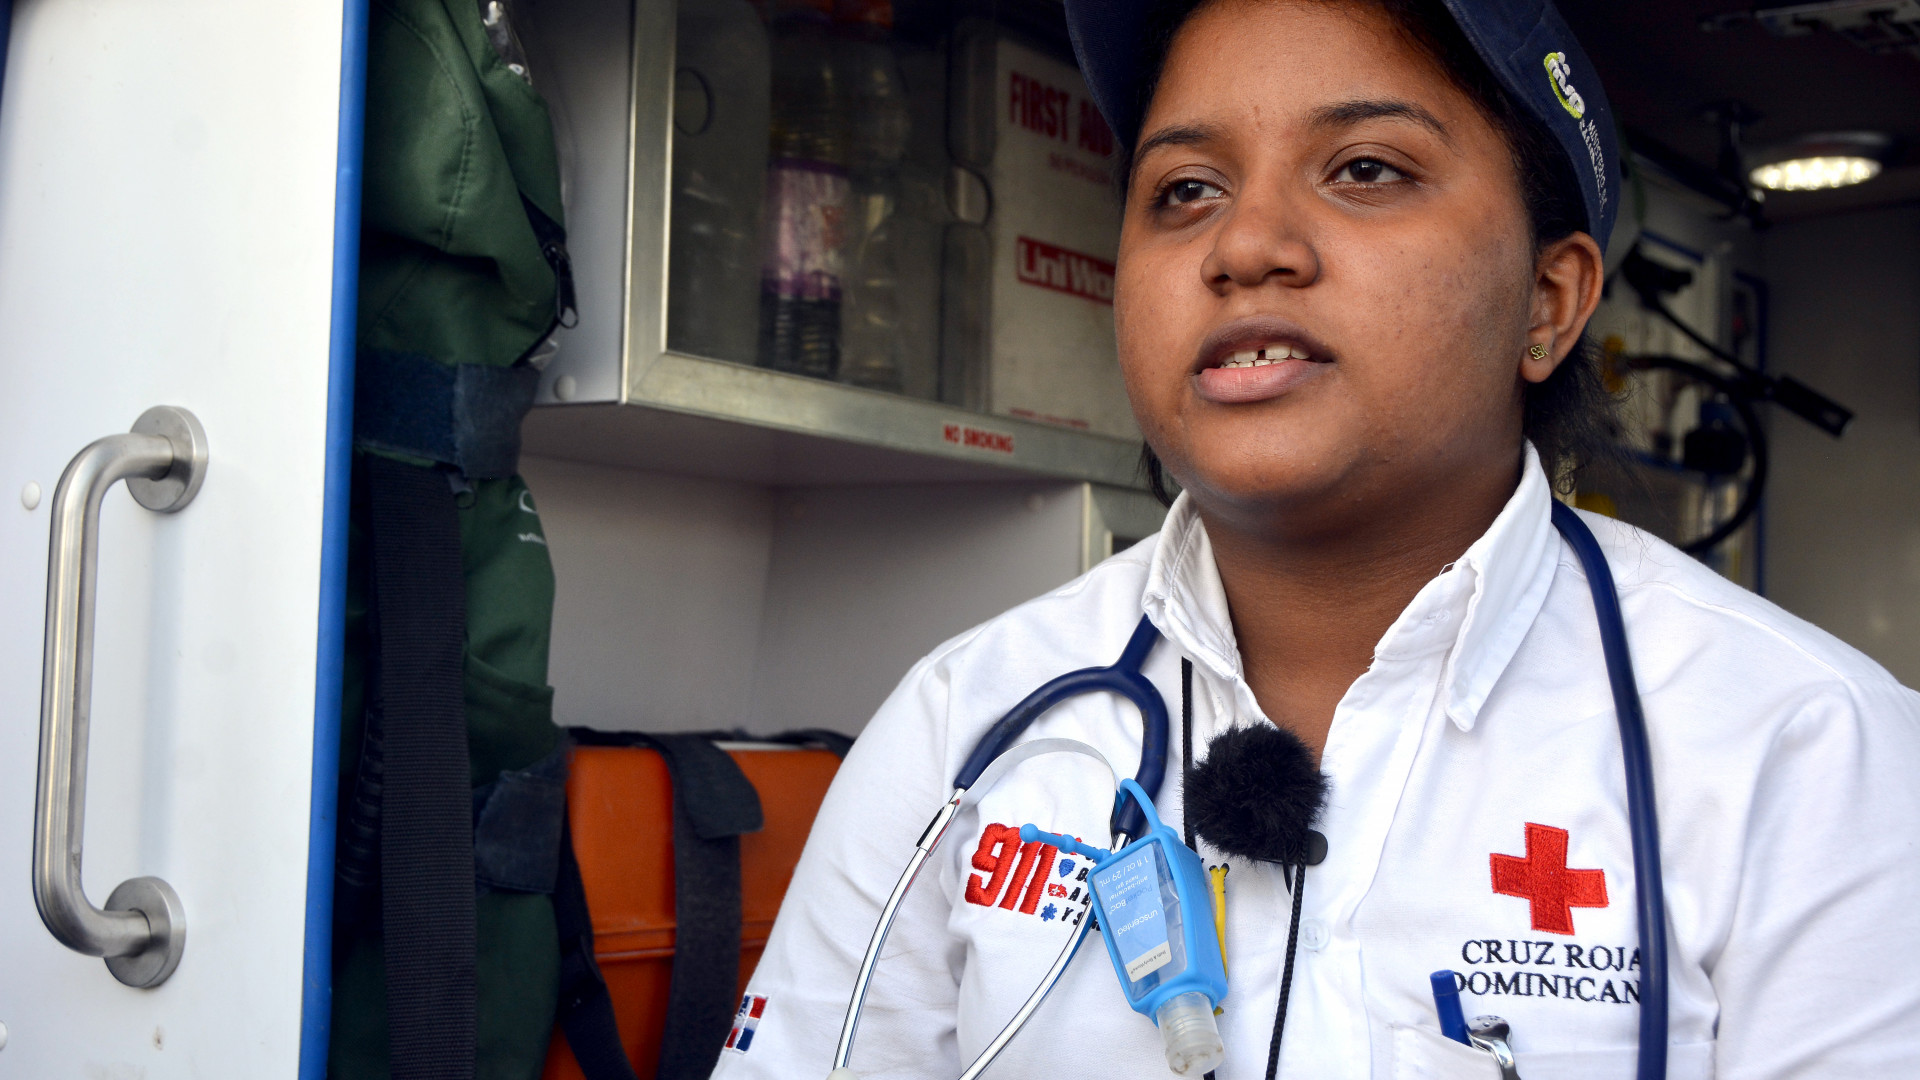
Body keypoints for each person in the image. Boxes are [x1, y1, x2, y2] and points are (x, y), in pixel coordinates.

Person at [711, 1, 1920, 1077]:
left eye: (1366, 169)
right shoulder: (967, 727)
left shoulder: (1807, 752)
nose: (1245, 246)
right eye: (1186, 189)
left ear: (1548, 302)